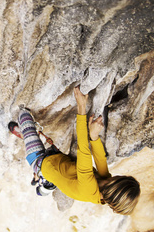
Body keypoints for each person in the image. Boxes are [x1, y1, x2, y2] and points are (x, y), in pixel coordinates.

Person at [8, 86, 140, 215]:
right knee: (51, 176)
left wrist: (81, 106)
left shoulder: (89, 188)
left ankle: (41, 178)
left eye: (119, 179)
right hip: (58, 162)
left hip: (40, 162)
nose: (115, 177)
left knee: (24, 116)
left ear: (115, 186)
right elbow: (100, 158)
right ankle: (44, 181)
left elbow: (83, 149)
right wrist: (94, 137)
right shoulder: (106, 184)